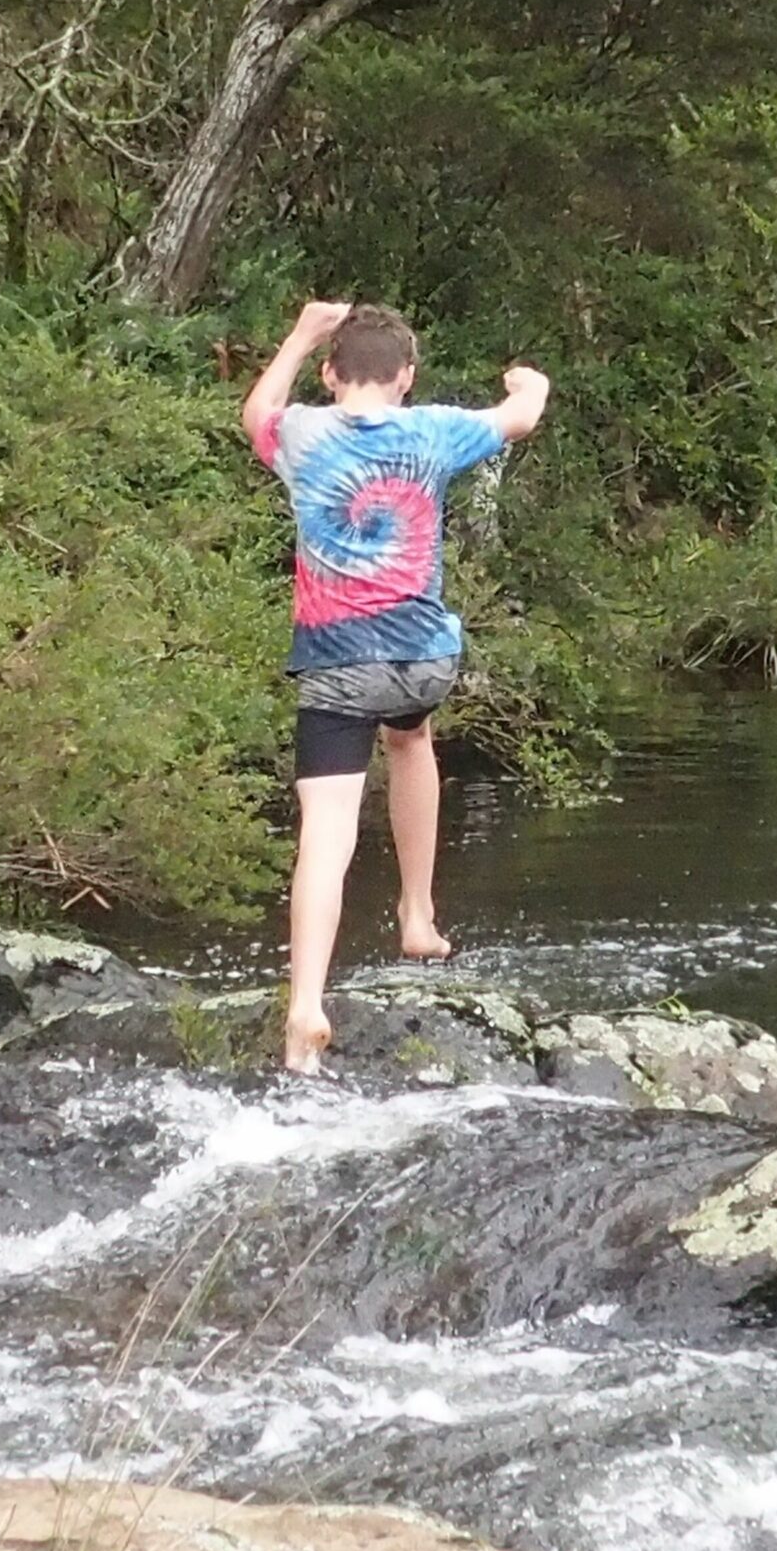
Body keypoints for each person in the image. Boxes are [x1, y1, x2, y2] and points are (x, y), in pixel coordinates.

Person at [240, 299, 551, 1073]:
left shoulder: (303, 434)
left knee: (328, 827)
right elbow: (522, 415)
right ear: (406, 377)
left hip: (337, 662)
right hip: (420, 658)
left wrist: (302, 331)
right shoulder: (434, 429)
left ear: (330, 373)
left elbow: (258, 411)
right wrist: (527, 380)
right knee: (411, 740)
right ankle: (417, 912)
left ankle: (307, 1004)